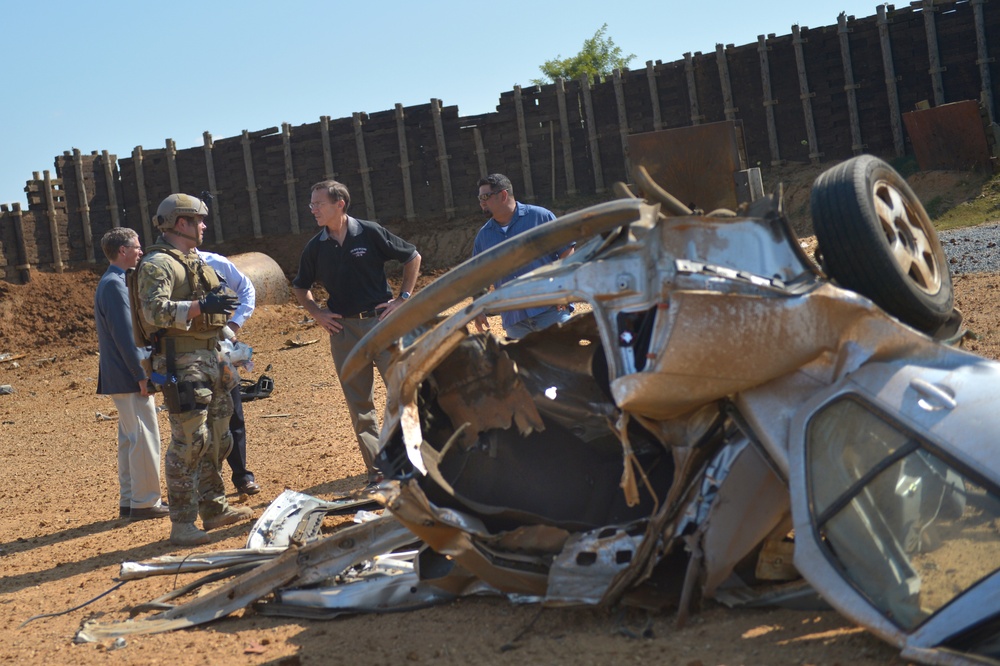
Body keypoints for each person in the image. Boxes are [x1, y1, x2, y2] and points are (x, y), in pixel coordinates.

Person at [135, 193, 253, 546]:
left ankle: (214, 508)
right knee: (189, 442)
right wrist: (201, 305)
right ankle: (182, 522)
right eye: (198, 220)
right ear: (181, 223)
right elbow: (153, 312)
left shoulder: (194, 261)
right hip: (182, 363)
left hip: (211, 358)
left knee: (218, 438)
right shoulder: (158, 264)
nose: (203, 226)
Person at [292, 180, 421, 487]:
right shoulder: (315, 247)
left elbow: (412, 257)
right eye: (311, 204)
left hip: (381, 324)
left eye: (318, 203)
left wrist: (403, 298)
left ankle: (415, 458)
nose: (312, 209)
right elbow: (300, 285)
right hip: (344, 332)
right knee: (359, 404)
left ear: (340, 204)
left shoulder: (369, 232)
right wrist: (318, 313)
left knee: (403, 393)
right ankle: (378, 469)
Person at [94, 227, 168, 521]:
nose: (140, 251)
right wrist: (142, 373)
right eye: (136, 247)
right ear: (122, 251)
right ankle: (145, 502)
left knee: (130, 438)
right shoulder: (114, 284)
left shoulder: (112, 281)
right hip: (128, 374)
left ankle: (131, 500)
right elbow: (126, 336)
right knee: (144, 436)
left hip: (118, 373)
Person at [473, 173, 574, 339]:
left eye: (485, 196)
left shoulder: (540, 217)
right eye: (479, 198)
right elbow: (477, 276)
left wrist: (563, 288)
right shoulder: (483, 236)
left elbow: (566, 251)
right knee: (523, 366)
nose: (481, 202)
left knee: (566, 363)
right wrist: (477, 308)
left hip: (550, 310)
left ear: (503, 195)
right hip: (514, 321)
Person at [198, 250, 260, 496]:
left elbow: (247, 290)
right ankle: (206, 483)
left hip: (222, 351)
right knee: (196, 418)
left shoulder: (215, 262)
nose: (201, 227)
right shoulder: (166, 266)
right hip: (188, 354)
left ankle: (242, 475)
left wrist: (233, 324)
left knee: (234, 413)